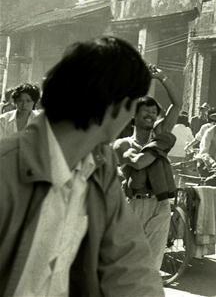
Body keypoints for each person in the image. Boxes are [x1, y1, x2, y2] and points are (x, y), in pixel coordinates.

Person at [0, 36, 163, 296]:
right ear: (117, 107)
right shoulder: (7, 169)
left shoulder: (100, 165)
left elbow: (128, 263)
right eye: (132, 107)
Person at [112, 66, 180, 273]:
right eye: (145, 112)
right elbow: (139, 163)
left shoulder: (160, 135)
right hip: (133, 205)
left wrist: (163, 78)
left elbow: (178, 104)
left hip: (159, 204)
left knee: (152, 268)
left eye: (154, 113)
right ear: (133, 116)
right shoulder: (122, 144)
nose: (151, 115)